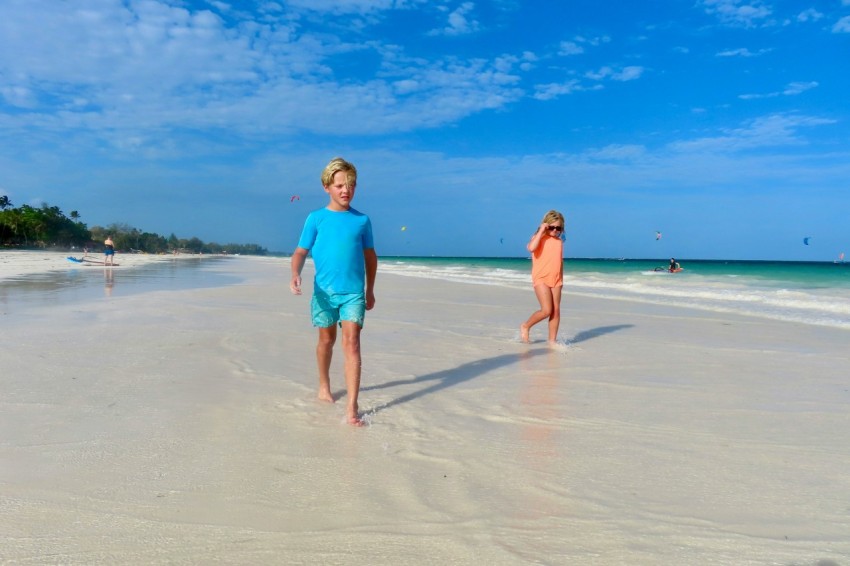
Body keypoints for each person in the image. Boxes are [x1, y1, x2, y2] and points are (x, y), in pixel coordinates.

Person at [290, 157, 378, 426]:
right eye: (339, 185)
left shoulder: (362, 221)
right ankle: (324, 385)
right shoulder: (316, 218)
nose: (345, 190)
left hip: (353, 293)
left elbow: (371, 257)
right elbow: (300, 252)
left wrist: (370, 289)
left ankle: (352, 406)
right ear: (327, 186)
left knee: (351, 342)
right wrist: (295, 273)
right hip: (323, 293)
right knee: (326, 340)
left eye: (350, 185)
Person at [520, 210, 565, 345]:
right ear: (546, 225)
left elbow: (559, 261)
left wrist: (561, 279)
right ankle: (526, 326)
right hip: (541, 278)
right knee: (546, 310)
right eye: (552, 227)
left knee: (556, 311)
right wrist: (541, 231)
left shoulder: (559, 241)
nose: (555, 230)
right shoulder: (539, 237)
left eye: (559, 228)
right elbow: (531, 248)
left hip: (556, 279)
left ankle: (552, 341)